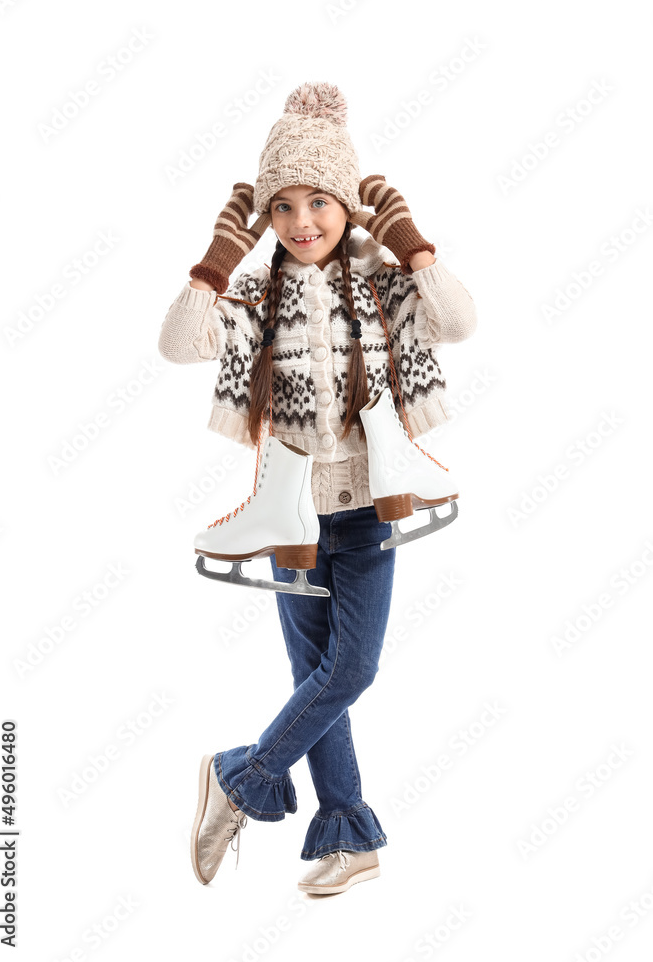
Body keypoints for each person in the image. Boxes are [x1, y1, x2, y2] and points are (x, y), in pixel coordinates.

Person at [158, 81, 477, 895]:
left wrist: (406, 239)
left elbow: (458, 320)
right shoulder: (257, 297)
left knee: (348, 672)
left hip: (369, 510)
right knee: (321, 680)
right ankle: (347, 836)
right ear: (264, 217)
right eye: (283, 207)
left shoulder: (380, 284)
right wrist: (219, 256)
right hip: (291, 518)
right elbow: (182, 342)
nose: (303, 222)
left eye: (320, 202)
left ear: (348, 205)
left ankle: (241, 778)